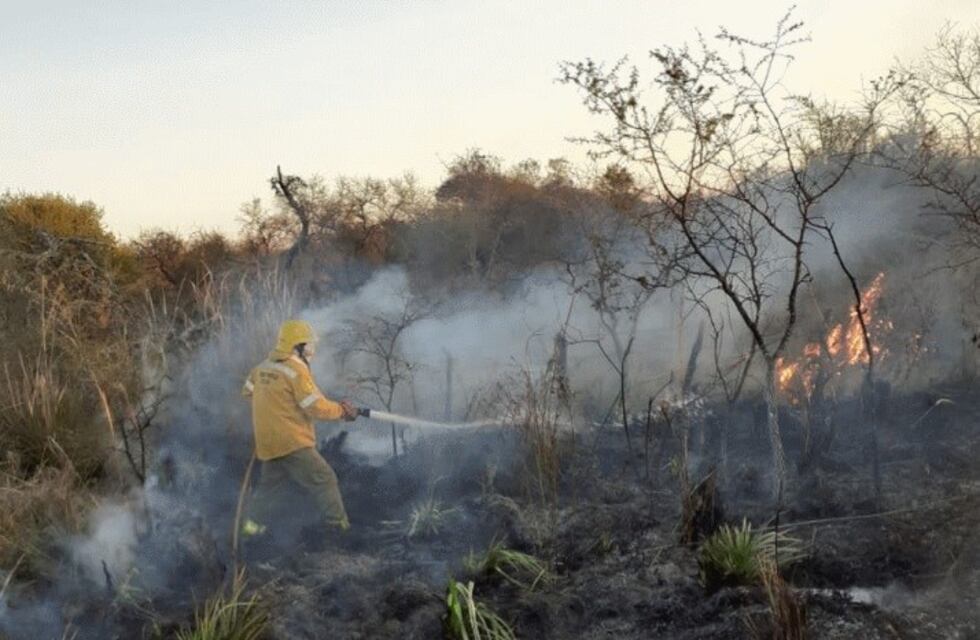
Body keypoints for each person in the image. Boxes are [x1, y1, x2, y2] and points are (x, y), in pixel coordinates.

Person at [241, 319, 360, 540]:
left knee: (269, 488)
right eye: (308, 345)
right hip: (292, 442)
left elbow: (248, 392)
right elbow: (315, 406)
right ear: (296, 346)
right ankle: (338, 530)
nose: (311, 350)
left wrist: (273, 404)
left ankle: (250, 529)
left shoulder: (261, 368)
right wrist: (342, 412)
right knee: (325, 479)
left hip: (268, 443)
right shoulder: (295, 371)